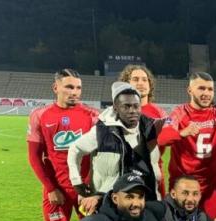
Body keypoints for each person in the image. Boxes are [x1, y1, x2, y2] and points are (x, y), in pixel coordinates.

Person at [27, 68, 99, 221]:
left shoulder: (91, 115)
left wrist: (91, 189)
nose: (74, 92)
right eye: (69, 87)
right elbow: (35, 156)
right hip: (56, 189)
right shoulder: (41, 115)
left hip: (84, 190)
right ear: (55, 87)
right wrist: (50, 187)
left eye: (78, 87)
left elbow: (99, 155)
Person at [68, 82, 161, 214]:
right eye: (126, 107)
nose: (132, 111)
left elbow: (153, 168)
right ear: (115, 108)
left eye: (136, 106)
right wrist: (76, 181)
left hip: (141, 203)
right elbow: (75, 149)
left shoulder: (148, 129)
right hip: (108, 203)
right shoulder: (101, 132)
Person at [157, 72, 216, 217]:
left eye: (210, 89)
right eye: (201, 88)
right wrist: (182, 133)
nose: (206, 93)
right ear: (190, 90)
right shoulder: (179, 113)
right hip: (182, 186)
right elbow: (162, 139)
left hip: (210, 187)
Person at [119, 64, 168, 197]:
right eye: (135, 79)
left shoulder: (160, 114)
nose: (141, 83)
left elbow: (168, 138)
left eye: (144, 79)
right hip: (124, 172)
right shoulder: (116, 111)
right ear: (126, 84)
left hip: (153, 171)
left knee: (156, 214)